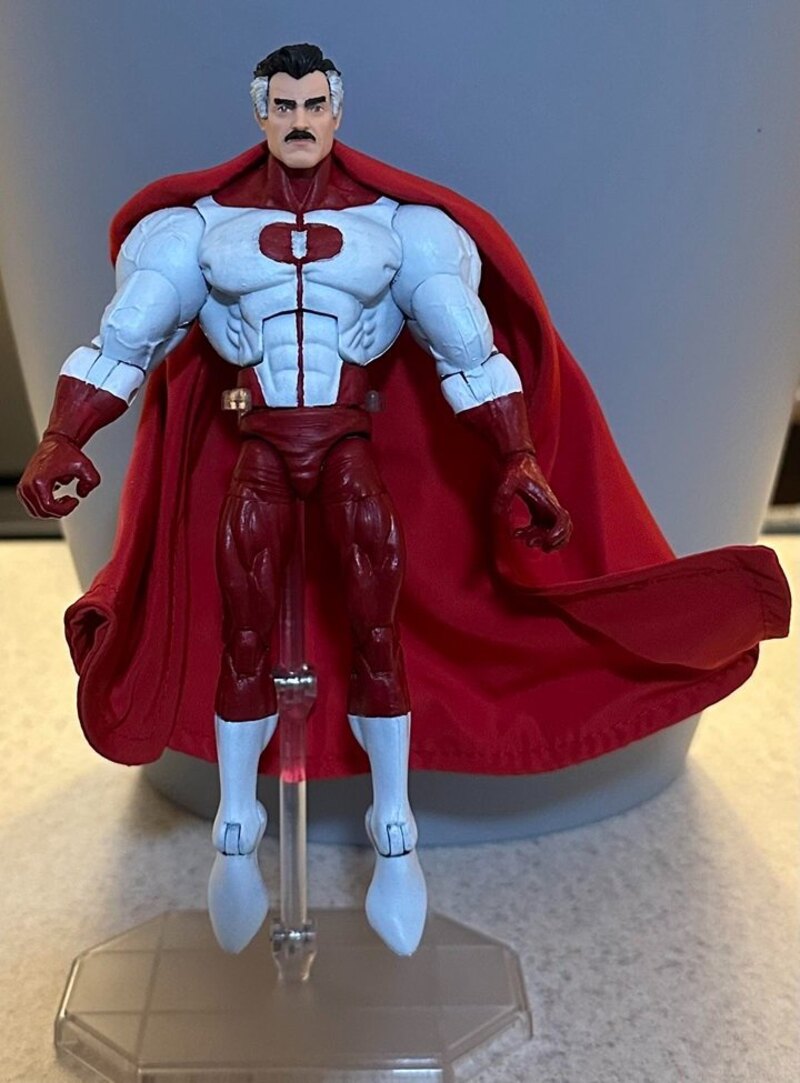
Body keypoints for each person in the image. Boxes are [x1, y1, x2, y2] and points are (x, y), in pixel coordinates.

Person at [18, 43, 790, 956]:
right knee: (245, 631)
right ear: (260, 113)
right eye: (283, 106)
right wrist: (65, 434)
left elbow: (468, 350)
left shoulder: (401, 230)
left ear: (337, 111)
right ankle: (235, 826)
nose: (299, 121)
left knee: (377, 631)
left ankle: (394, 831)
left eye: (314, 104)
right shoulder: (198, 231)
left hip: (347, 446)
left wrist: (518, 458)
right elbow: (126, 340)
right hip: (259, 450)